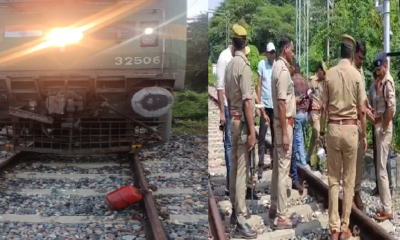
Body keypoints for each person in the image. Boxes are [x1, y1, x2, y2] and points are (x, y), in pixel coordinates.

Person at [320, 34, 367, 240]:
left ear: (340, 52)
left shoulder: (329, 74)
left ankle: (333, 227)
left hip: (332, 129)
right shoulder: (357, 75)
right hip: (350, 131)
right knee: (348, 181)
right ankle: (345, 226)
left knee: (333, 181)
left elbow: (323, 107)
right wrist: (364, 135)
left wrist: (321, 131)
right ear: (352, 54)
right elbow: (362, 110)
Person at [224, 23, 257, 238]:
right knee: (242, 170)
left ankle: (235, 214)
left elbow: (228, 97)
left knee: (235, 168)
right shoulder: (243, 67)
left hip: (232, 121)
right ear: (245, 43)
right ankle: (242, 218)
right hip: (243, 123)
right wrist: (253, 131)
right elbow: (247, 101)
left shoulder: (228, 66)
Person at [268, 36, 296, 229]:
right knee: (284, 168)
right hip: (284, 123)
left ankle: (274, 204)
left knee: (278, 166)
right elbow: (281, 101)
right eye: (292, 50)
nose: (293, 53)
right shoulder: (284, 70)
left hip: (279, 122)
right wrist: (286, 132)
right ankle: (282, 216)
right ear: (286, 48)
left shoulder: (276, 67)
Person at [369, 51, 396, 221]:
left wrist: (384, 126)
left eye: (379, 69)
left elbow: (391, 108)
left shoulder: (388, 83)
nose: (377, 72)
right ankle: (386, 205)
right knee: (381, 169)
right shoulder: (380, 82)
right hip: (379, 124)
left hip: (383, 127)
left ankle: (388, 209)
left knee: (381, 170)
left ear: (385, 66)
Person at [353, 39, 373, 210]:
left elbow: (363, 99)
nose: (362, 60)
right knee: (350, 162)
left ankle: (356, 192)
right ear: (354, 54)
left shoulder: (361, 72)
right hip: (352, 122)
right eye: (360, 57)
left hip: (360, 122)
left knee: (358, 162)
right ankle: (351, 194)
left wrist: (369, 108)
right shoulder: (351, 72)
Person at [216, 41, 234, 196]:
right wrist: (222, 112)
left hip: (238, 109)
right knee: (229, 144)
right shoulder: (224, 57)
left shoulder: (238, 57)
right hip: (229, 108)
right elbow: (220, 87)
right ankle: (229, 182)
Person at [290, 61, 310, 191]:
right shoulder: (305, 80)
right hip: (305, 114)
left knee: (298, 141)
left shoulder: (292, 81)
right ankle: (303, 160)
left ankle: (302, 163)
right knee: (302, 137)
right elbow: (310, 96)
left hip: (297, 114)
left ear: (293, 69)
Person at [257, 42, 276, 174]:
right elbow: (258, 86)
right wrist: (258, 105)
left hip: (274, 106)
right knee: (262, 136)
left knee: (275, 135)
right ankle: (261, 164)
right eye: (270, 52)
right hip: (264, 106)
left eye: (273, 52)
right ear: (266, 53)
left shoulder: (277, 66)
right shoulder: (262, 65)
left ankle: (274, 162)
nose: (272, 54)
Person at [306, 61, 327, 167]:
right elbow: (307, 94)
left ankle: (307, 157)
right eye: (322, 71)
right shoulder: (312, 81)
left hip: (320, 114)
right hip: (313, 113)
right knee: (318, 137)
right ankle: (321, 163)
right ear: (318, 71)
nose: (323, 73)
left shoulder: (324, 82)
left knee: (314, 137)